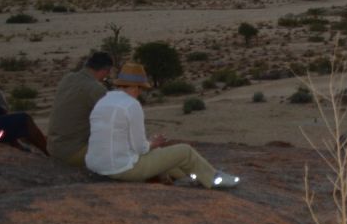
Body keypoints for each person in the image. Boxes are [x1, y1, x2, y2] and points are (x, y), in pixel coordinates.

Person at [86, 62, 238, 189]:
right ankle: (213, 179)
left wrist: (152, 145)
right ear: (137, 87)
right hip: (120, 169)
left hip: (96, 165)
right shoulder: (131, 105)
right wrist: (152, 143)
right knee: (184, 151)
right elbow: (140, 148)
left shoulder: (104, 100)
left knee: (160, 153)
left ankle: (191, 176)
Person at [48, 52, 114, 168]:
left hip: (53, 147)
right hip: (72, 152)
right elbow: (113, 118)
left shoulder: (68, 78)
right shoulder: (96, 88)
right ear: (106, 70)